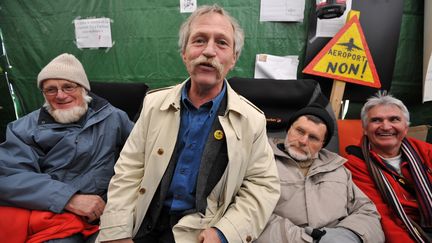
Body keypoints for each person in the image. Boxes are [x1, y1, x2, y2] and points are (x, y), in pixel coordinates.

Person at [97, 4, 280, 243]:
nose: (209, 51)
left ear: (233, 58)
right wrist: (117, 231)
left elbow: (262, 186)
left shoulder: (251, 120)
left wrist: (226, 232)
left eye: (222, 43)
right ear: (184, 53)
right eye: (199, 40)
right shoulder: (153, 104)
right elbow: (129, 170)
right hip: (141, 222)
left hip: (202, 230)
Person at [0, 53, 134, 242]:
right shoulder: (24, 129)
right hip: (56, 214)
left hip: (109, 211)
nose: (61, 96)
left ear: (83, 89)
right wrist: (69, 199)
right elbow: (7, 177)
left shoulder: (113, 117)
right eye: (51, 90)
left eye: (68, 87)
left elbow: (142, 151)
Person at [255, 104, 384, 243]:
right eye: (299, 131)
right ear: (288, 129)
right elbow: (252, 214)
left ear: (322, 144)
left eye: (313, 138)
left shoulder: (337, 169)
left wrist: (349, 235)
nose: (303, 141)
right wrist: (308, 240)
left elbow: (367, 211)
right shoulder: (261, 160)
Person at [344, 92, 432, 243]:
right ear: (365, 128)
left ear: (406, 127)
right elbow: (381, 217)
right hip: (403, 232)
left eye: (394, 119)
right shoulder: (354, 165)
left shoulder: (426, 151)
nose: (385, 126)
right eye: (376, 120)